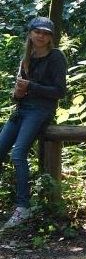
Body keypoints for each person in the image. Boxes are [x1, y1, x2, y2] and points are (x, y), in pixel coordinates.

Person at [1, 17, 67, 230]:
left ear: (51, 38)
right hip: (22, 110)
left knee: (18, 154)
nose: (41, 35)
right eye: (37, 31)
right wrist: (18, 92)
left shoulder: (56, 57)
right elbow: (19, 96)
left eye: (46, 33)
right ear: (30, 33)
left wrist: (31, 86)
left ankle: (23, 207)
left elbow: (59, 91)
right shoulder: (26, 59)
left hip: (40, 111)